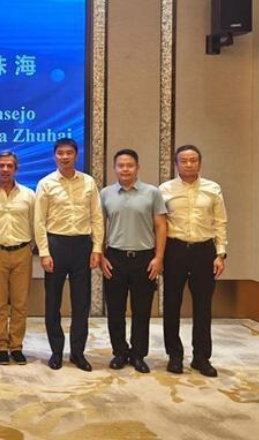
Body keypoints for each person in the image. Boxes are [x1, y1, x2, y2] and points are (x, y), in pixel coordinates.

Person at [34, 138, 103, 372]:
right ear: (55, 156)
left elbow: (97, 217)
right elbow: (39, 221)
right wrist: (44, 252)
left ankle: (77, 353)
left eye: (69, 153)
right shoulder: (46, 183)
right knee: (53, 302)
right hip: (56, 245)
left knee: (81, 304)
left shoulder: (88, 182)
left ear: (76, 155)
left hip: (82, 245)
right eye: (60, 153)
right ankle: (56, 352)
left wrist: (97, 248)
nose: (65, 157)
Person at [160, 145, 227, 377]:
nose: (189, 164)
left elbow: (220, 222)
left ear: (200, 163)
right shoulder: (165, 189)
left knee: (203, 306)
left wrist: (220, 254)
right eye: (184, 161)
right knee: (171, 304)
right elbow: (158, 225)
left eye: (193, 160)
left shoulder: (212, 189)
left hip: (204, 251)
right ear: (176, 164)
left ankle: (201, 357)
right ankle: (174, 355)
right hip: (175, 250)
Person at [100, 149, 167, 373]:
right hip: (115, 258)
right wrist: (101, 256)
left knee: (141, 310)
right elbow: (99, 227)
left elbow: (161, 226)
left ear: (137, 167)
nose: (125, 169)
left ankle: (138, 354)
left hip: (144, 258)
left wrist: (159, 257)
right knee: (115, 310)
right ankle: (119, 352)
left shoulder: (152, 193)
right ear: (114, 168)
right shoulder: (106, 194)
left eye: (129, 165)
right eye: (120, 165)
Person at [0, 151, 35, 366]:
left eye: (9, 166)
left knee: (20, 304)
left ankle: (17, 346)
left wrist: (30, 248)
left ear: (16, 169)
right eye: (1, 166)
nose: (5, 170)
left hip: (22, 252)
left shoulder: (29, 195)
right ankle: (1, 346)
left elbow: (35, 223)